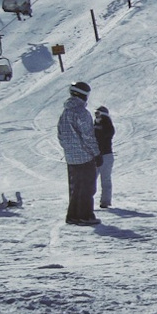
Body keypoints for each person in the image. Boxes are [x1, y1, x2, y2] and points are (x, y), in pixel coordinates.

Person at [57, 81, 101, 226]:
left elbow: (61, 134)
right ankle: (84, 216)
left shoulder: (66, 112)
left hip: (71, 158)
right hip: (85, 156)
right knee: (87, 187)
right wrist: (96, 153)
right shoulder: (82, 113)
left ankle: (73, 215)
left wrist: (69, 150)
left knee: (76, 188)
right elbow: (88, 136)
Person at [94, 105, 115, 208]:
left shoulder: (107, 126)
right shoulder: (95, 125)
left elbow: (105, 135)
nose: (96, 116)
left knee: (105, 179)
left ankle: (105, 201)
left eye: (98, 114)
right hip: (95, 156)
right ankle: (87, 201)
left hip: (106, 155)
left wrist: (100, 123)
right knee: (91, 179)